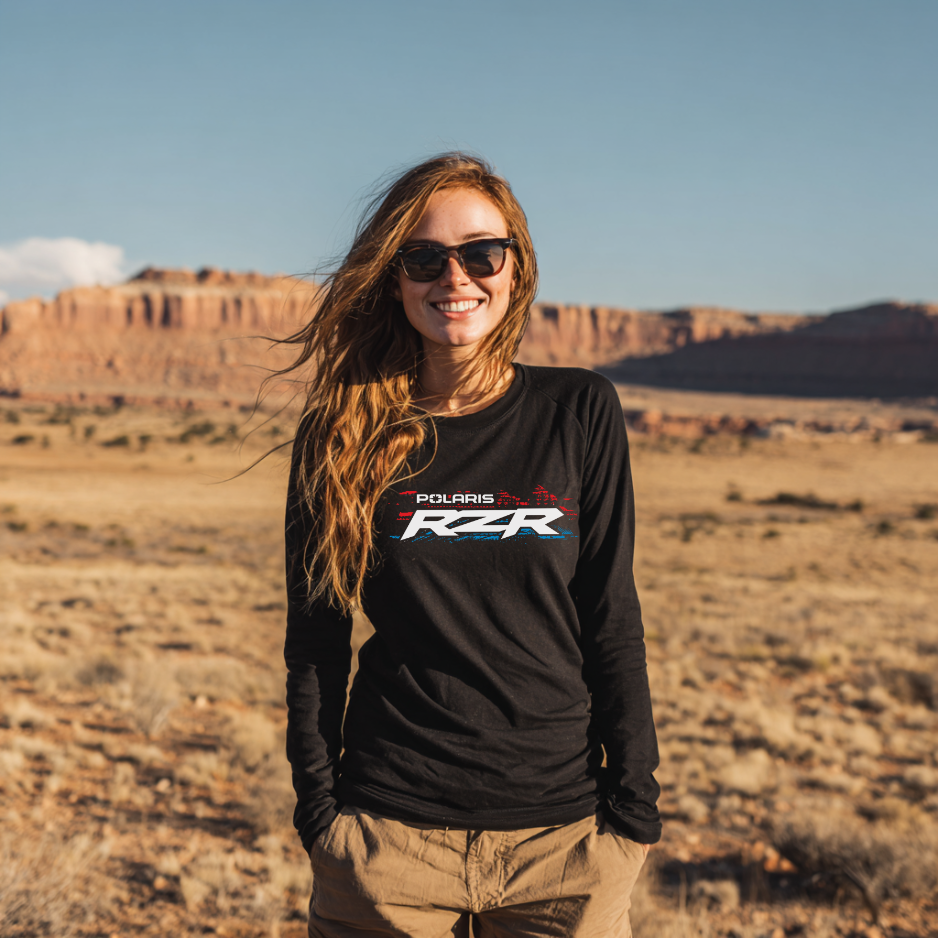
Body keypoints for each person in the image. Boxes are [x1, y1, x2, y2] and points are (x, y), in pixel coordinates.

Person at [282, 153, 661, 938]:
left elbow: (611, 616)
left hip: (563, 848)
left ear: (515, 269)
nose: (454, 278)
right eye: (423, 258)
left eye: (481, 253)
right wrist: (323, 816)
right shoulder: (345, 432)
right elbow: (316, 638)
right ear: (394, 279)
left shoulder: (578, 409)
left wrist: (632, 815)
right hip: (388, 843)